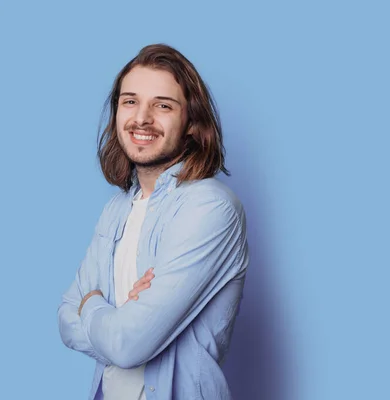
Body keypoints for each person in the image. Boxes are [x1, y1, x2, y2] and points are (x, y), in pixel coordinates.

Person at [57, 43, 249, 400]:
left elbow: (127, 344)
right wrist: (115, 323)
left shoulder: (210, 209)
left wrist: (92, 305)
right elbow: (65, 317)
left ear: (192, 122)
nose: (141, 118)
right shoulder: (116, 209)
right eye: (130, 101)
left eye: (162, 105)